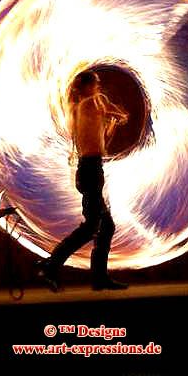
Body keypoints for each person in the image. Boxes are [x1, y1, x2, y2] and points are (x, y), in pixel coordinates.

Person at [37, 70, 129, 291]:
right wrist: (120, 115)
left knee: (105, 227)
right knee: (91, 227)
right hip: (90, 170)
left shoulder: (82, 109)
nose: (99, 88)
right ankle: (50, 265)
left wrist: (112, 124)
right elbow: (113, 110)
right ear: (87, 87)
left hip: (90, 168)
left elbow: (101, 142)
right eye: (96, 83)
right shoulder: (93, 103)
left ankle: (98, 278)